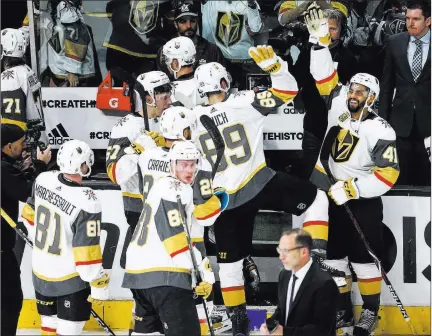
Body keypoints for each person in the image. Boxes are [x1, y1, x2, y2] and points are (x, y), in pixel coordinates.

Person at [192, 46, 331, 335]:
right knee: (317, 198)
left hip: (224, 199)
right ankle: (315, 259)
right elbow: (289, 91)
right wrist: (277, 68)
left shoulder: (191, 119)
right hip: (259, 182)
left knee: (230, 266)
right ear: (223, 83)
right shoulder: (244, 102)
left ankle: (238, 323)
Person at [305, 5, 400, 335]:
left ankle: (370, 311)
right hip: (329, 194)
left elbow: (389, 173)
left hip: (361, 200)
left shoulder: (382, 130)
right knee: (333, 261)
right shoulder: (338, 102)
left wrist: (354, 189)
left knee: (364, 262)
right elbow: (323, 76)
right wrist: (319, 45)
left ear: (371, 98)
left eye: (361, 92)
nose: (354, 95)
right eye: (353, 89)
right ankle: (343, 310)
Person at [136, 106, 229, 334]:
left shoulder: (147, 156)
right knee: (195, 311)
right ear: (186, 132)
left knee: (151, 321)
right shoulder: (197, 162)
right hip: (186, 242)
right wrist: (220, 198)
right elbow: (204, 216)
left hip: (149, 247)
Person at [122, 141, 222, 336]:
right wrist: (203, 273)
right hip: (165, 277)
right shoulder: (177, 190)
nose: (189, 169)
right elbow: (176, 241)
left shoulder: (160, 185)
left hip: (138, 276)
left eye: (192, 164)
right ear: (172, 164)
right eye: (183, 164)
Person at [106, 70, 172, 237]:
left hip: (170, 202)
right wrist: (139, 149)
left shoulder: (173, 119)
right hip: (139, 206)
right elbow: (114, 174)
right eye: (164, 97)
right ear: (148, 98)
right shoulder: (126, 127)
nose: (170, 101)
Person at [1, 124, 51, 336]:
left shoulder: (5, 166)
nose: (24, 149)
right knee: (10, 302)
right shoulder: (3, 170)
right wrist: (40, 164)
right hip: (1, 252)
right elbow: (30, 193)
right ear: (8, 146)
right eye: (21, 144)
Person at [379, 0, 431, 186]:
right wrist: (382, 124)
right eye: (408, 18)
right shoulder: (395, 43)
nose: (410, 23)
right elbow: (386, 86)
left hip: (429, 126)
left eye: (416, 19)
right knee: (400, 180)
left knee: (427, 180)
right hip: (400, 125)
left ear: (428, 21)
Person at [260, 229, 339, 336]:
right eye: (280, 251)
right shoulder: (284, 275)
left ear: (303, 252)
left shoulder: (325, 283)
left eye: (286, 251)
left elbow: (321, 330)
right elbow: (282, 311)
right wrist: (269, 325)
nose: (281, 257)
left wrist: (284, 332)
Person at [201, 0, 265, 89]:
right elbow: (207, 33)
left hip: (246, 59)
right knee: (224, 95)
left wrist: (252, 5)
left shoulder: (248, 2)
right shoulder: (212, 3)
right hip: (222, 59)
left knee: (252, 94)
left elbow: (255, 28)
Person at [157, 2, 225, 78]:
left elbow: (222, 79)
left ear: (197, 22)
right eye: (183, 21)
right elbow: (162, 82)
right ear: (176, 24)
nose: (188, 26)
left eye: (192, 21)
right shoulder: (165, 52)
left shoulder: (212, 50)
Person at [46, 0, 99, 87]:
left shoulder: (65, 6)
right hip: (64, 71)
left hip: (73, 75)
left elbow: (76, 36)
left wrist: (72, 71)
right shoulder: (60, 5)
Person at [1, 28, 44, 131]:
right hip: (36, 136)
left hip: (21, 143)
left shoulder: (9, 78)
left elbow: (12, 123)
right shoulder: (27, 70)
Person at [161, 36, 209, 108]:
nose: (167, 63)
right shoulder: (208, 80)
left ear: (175, 63)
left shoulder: (171, 91)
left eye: (167, 59)